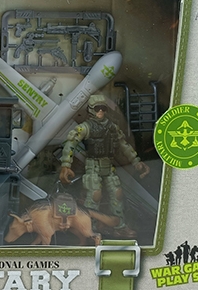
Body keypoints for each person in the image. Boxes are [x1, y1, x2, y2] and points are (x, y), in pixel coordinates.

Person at [59, 94, 149, 238]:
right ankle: (90, 228)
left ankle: (120, 226)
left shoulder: (112, 127)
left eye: (103, 108)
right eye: (97, 108)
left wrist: (136, 162)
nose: (100, 111)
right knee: (94, 196)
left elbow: (124, 145)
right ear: (90, 109)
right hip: (93, 166)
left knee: (117, 194)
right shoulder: (85, 127)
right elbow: (70, 143)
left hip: (108, 166)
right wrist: (65, 165)